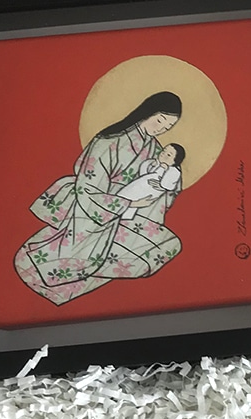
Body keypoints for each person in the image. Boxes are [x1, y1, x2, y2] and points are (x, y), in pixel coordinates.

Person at [13, 91, 185, 306]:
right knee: (73, 258)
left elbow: (164, 188)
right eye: (160, 120)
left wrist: (167, 185)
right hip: (95, 211)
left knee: (167, 246)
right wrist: (126, 203)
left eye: (168, 127)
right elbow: (88, 188)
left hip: (129, 214)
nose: (161, 129)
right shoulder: (110, 141)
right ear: (147, 112)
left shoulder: (156, 150)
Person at [116, 143, 185, 220]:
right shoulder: (154, 163)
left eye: (168, 155)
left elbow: (167, 185)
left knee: (129, 208)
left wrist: (164, 170)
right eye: (163, 151)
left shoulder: (174, 171)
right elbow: (142, 173)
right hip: (138, 186)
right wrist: (151, 165)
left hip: (148, 192)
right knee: (125, 196)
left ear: (175, 161)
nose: (163, 154)